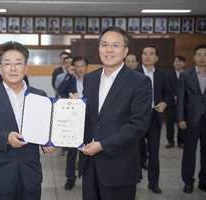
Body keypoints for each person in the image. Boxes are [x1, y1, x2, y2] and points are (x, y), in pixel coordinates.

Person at [71, 26, 152, 199]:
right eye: (104, 44)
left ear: (125, 51)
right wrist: (76, 109)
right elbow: (92, 118)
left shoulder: (140, 82)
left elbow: (138, 125)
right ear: (99, 48)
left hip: (119, 164)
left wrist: (102, 145)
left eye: (116, 45)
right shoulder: (91, 78)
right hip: (89, 162)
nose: (109, 49)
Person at [0, 41, 56, 199]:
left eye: (18, 63)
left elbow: (47, 128)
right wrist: (5, 138)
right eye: (7, 64)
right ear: (0, 68)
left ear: (26, 67)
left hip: (30, 175)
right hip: (0, 175)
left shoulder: (40, 96)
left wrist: (47, 142)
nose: (13, 68)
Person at [135, 44, 173, 194]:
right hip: (137, 119)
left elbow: (168, 93)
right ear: (142, 56)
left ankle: (153, 182)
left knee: (154, 152)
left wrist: (164, 103)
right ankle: (133, 180)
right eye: (145, 53)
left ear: (156, 58)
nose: (147, 56)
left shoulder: (162, 75)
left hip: (153, 118)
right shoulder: (134, 73)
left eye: (151, 54)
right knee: (134, 152)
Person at [177, 44, 206, 194]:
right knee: (189, 152)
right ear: (194, 57)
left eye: (205, 55)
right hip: (190, 119)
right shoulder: (185, 75)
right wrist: (180, 118)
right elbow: (181, 98)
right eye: (199, 55)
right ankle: (188, 181)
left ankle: (204, 181)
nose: (202, 58)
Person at [57, 56, 88, 190]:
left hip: (89, 118)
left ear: (87, 67)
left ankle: (88, 177)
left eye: (82, 66)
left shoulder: (93, 80)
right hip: (74, 119)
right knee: (72, 151)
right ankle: (70, 178)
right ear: (73, 68)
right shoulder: (70, 80)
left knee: (88, 149)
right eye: (77, 67)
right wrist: (69, 75)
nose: (80, 69)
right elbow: (60, 90)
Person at [124, 53, 149, 170]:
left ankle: (142, 160)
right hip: (124, 116)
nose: (130, 64)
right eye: (127, 61)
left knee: (140, 140)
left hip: (139, 114)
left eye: (132, 61)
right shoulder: (120, 77)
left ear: (137, 63)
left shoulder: (142, 78)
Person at [165, 55, 186, 148]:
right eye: (176, 61)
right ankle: (170, 141)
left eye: (180, 61)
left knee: (181, 123)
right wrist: (174, 96)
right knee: (169, 124)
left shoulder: (187, 75)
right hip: (171, 104)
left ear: (184, 63)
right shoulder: (168, 75)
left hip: (184, 104)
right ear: (173, 63)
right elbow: (166, 87)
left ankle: (181, 141)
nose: (178, 63)